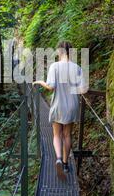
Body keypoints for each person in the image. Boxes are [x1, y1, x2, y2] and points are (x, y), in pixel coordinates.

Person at [33, 41, 88, 180]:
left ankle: (58, 158)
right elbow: (83, 89)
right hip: (72, 106)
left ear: (59, 51)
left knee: (57, 135)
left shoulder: (54, 67)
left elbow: (50, 87)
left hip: (58, 105)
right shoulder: (77, 68)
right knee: (67, 135)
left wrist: (40, 82)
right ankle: (65, 164)